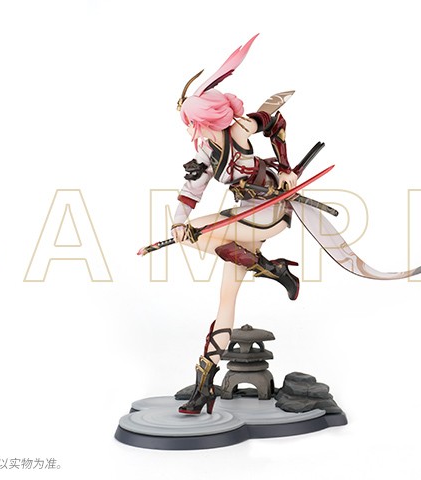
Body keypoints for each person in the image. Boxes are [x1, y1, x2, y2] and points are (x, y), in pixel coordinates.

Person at [171, 34, 297, 415]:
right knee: (225, 304)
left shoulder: (239, 129)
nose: (193, 132)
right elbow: (190, 191)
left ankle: (270, 267)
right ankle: (204, 389)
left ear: (209, 118)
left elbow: (275, 119)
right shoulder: (206, 151)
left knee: (203, 232)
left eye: (195, 123)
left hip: (270, 210)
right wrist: (178, 221)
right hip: (244, 217)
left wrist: (286, 168)